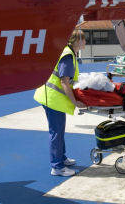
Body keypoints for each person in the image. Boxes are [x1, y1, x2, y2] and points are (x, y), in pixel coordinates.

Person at [33, 29, 87, 177]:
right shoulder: (68, 56)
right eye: (83, 39)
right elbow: (64, 83)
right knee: (56, 132)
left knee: (59, 130)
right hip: (52, 98)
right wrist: (75, 102)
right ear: (77, 41)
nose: (85, 42)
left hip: (51, 96)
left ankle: (61, 158)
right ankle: (57, 167)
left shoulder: (68, 52)